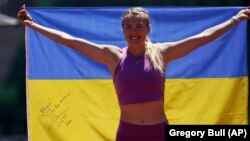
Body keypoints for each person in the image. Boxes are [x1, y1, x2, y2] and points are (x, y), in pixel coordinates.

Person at [18, 5, 250, 141]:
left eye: (139, 26)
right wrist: (33, 25)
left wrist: (235, 20)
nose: (134, 31)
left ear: (148, 29)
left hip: (159, 131)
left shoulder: (162, 53)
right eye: (129, 26)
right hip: (128, 132)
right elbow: (71, 41)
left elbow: (201, 39)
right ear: (123, 30)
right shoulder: (113, 56)